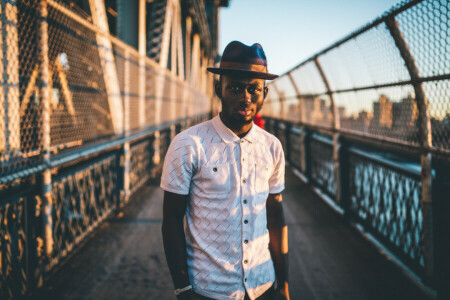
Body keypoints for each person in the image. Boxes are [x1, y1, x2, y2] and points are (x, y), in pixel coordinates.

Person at [161, 41, 289, 300]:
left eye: (254, 89)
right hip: (207, 290)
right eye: (235, 88)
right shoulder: (188, 144)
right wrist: (183, 289)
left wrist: (283, 283)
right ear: (219, 89)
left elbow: (275, 216)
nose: (245, 97)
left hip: (262, 286)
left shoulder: (272, 147)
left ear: (265, 92)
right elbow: (171, 220)